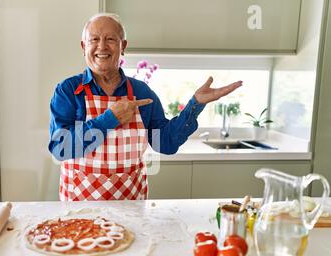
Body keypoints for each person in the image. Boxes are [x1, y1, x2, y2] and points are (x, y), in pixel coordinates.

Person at [49, 13, 242, 201]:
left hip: (132, 205)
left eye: (110, 39)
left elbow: (165, 143)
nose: (102, 46)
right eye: (94, 39)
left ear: (122, 46)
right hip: (80, 210)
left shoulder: (142, 92)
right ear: (84, 46)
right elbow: (61, 149)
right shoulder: (68, 91)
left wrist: (195, 105)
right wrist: (110, 119)